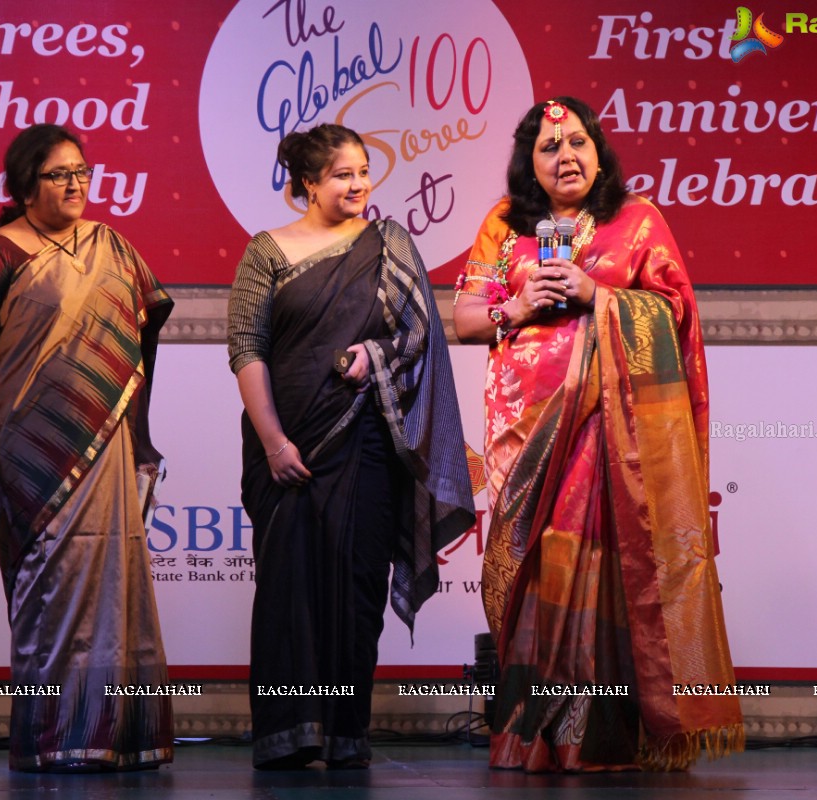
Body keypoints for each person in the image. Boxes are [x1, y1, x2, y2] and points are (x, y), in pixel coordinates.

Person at [453, 97, 743, 772]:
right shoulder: (504, 225)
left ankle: (602, 734)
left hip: (613, 432)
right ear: (530, 164)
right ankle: (534, 731)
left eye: (577, 142)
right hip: (524, 432)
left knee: (596, 566)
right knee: (533, 568)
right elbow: (466, 317)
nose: (566, 157)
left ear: (599, 149)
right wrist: (519, 304)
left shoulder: (636, 221)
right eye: (549, 148)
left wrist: (598, 297)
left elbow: (675, 312)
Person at [227, 123, 475, 770]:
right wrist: (275, 442)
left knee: (356, 589)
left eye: (363, 171)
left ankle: (343, 733)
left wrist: (376, 353)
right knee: (288, 591)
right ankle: (287, 736)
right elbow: (246, 349)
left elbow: (421, 338)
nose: (359, 183)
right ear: (308, 184)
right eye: (342, 174)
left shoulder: (389, 245)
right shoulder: (267, 251)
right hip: (284, 450)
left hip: (365, 444)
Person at [0, 123, 175, 772]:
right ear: (25, 186)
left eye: (82, 171)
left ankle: (117, 736)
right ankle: (55, 738)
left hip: (108, 450)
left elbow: (141, 348)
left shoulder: (113, 247)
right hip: (30, 461)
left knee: (116, 592)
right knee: (49, 597)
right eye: (59, 174)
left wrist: (143, 438)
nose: (76, 183)